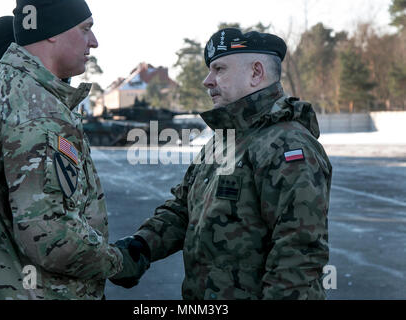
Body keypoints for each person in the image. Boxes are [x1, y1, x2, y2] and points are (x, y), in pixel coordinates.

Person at [110, 28, 332, 300]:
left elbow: (298, 253)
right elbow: (184, 209)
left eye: (219, 69)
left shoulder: (287, 145)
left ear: (256, 73)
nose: (207, 80)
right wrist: (140, 247)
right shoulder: (225, 138)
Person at [0, 0, 144, 299]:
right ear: (52, 31)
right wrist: (118, 263)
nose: (93, 42)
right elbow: (52, 237)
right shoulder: (41, 111)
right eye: (85, 29)